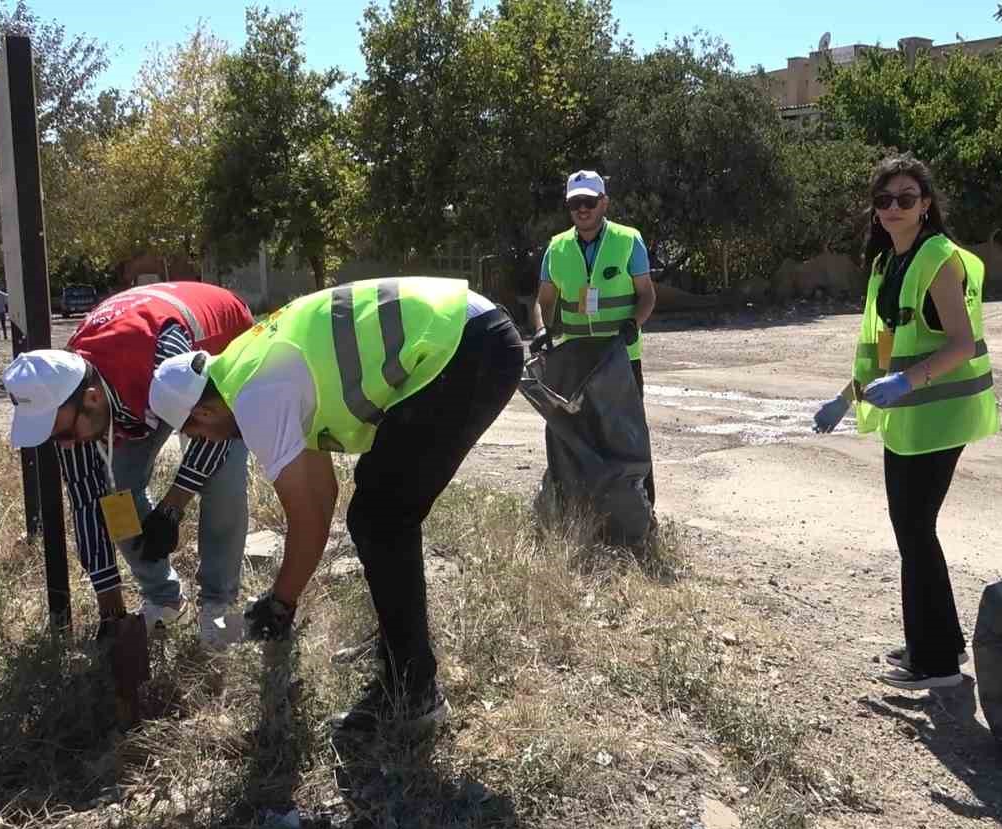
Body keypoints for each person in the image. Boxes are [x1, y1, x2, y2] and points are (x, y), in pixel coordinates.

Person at [148, 276, 522, 733]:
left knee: (382, 516)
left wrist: (280, 602)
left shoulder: (255, 396)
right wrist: (284, 599)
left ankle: (413, 692)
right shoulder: (246, 364)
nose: (198, 441)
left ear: (203, 413)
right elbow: (322, 499)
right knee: (379, 505)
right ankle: (397, 642)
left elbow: (307, 520)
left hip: (464, 345)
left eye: (192, 432)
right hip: (466, 330)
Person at [811, 155, 1001, 690]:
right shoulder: (886, 265)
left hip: (940, 414)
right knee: (913, 531)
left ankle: (936, 663)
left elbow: (961, 345)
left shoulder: (937, 258)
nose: (894, 207)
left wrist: (907, 383)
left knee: (915, 531)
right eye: (884, 199)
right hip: (912, 419)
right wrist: (846, 398)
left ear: (927, 206)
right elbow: (880, 349)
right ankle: (932, 643)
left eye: (906, 198)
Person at [2, 282, 256, 647]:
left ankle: (217, 604)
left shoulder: (159, 360)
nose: (66, 446)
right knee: (114, 493)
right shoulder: (67, 404)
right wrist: (112, 612)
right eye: (57, 438)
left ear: (91, 399)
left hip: (216, 350)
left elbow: (212, 439)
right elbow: (88, 503)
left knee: (223, 480)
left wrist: (172, 507)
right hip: (130, 392)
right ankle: (164, 599)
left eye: (65, 435)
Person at [528, 169, 658, 503]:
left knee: (627, 437)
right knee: (574, 436)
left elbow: (647, 295)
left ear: (604, 203)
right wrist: (541, 329)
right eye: (575, 204)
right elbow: (543, 301)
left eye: (588, 202)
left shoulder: (628, 240)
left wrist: (633, 323)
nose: (582, 209)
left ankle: (641, 512)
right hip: (575, 358)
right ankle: (579, 509)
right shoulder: (556, 249)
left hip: (619, 359)